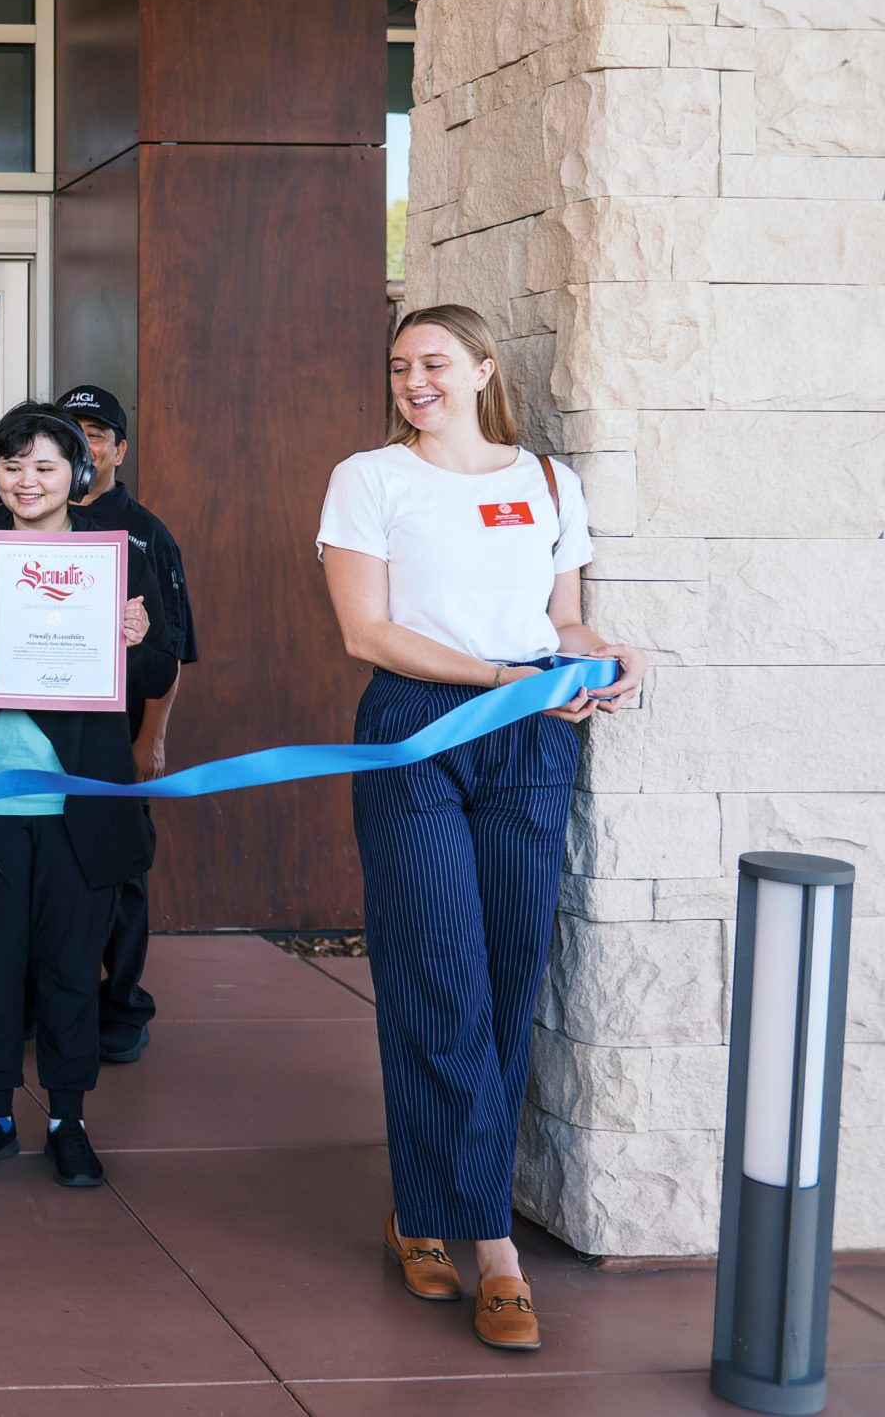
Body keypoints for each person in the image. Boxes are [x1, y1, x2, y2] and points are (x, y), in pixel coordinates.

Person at [318, 303, 644, 1352]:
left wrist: (600, 655)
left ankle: (425, 1208)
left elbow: (562, 617)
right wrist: (506, 679)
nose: (414, 379)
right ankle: (491, 1244)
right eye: (399, 365)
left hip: (531, 741)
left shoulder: (545, 482)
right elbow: (367, 629)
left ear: (482, 370)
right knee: (437, 968)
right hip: (418, 727)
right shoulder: (369, 477)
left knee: (509, 969)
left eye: (435, 362)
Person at [0, 404, 175, 1190]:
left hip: (80, 807)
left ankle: (68, 1116)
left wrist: (138, 642)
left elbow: (160, 671)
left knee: (71, 968)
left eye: (44, 466)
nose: (26, 481)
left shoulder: (118, 558)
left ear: (79, 474)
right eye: (11, 465)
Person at [57, 383, 200, 1065]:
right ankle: (41, 999)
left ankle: (120, 1005)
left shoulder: (147, 534)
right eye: (70, 430)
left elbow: (173, 652)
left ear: (118, 447)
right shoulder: (17, 524)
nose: (84, 443)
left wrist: (153, 737)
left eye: (96, 431)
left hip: (116, 738)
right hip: (35, 742)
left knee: (120, 874)